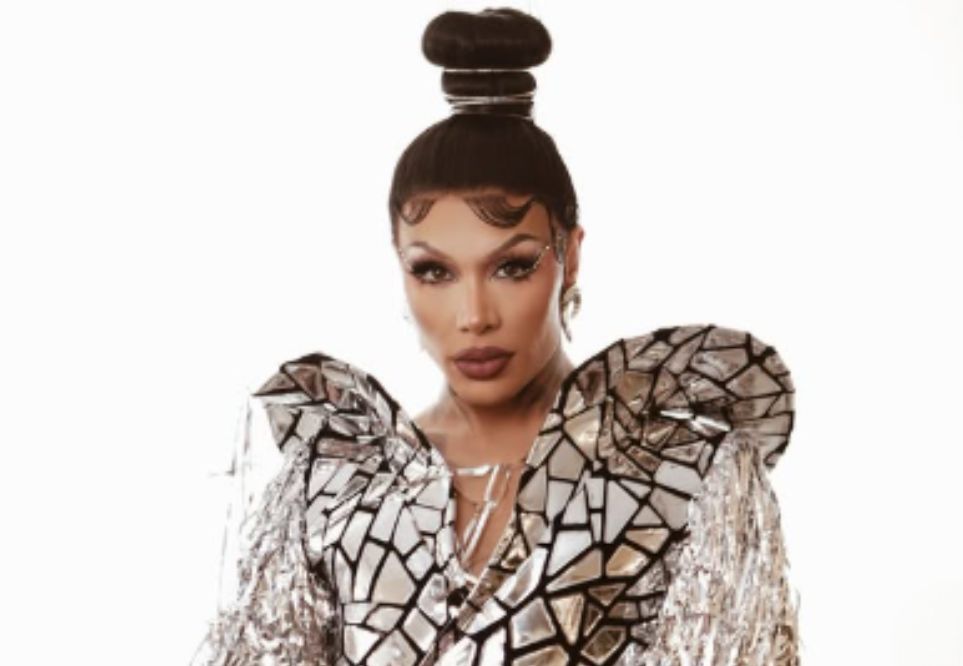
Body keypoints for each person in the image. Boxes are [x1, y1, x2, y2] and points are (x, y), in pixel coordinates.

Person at [190, 7, 801, 666]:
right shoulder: (336, 486)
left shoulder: (685, 476)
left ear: (569, 254)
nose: (474, 315)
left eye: (512, 266)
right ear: (399, 267)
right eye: (434, 271)